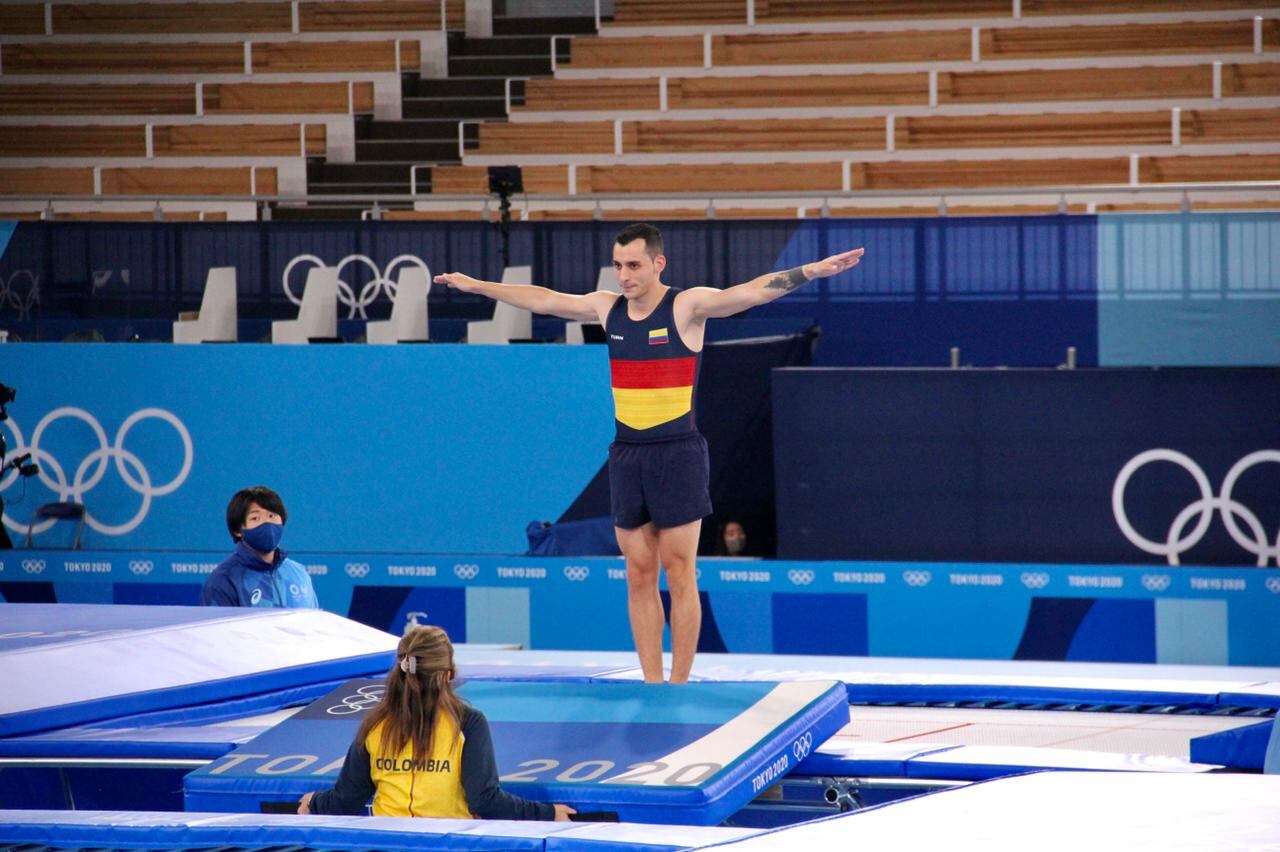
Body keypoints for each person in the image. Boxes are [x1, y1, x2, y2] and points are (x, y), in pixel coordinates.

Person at [435, 224, 863, 683]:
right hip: (628, 456)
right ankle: (652, 683)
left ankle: (679, 684)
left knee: (680, 573)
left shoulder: (686, 306)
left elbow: (751, 293)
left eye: (634, 265)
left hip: (677, 454)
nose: (624, 275)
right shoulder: (606, 309)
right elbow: (542, 298)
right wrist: (477, 285)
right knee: (639, 574)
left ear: (659, 263)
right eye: (618, 265)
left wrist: (810, 271)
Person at [298, 624, 575, 820]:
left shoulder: (375, 724)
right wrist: (548, 813)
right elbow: (484, 800)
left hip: (386, 844)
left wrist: (315, 802)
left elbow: (346, 799)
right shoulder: (467, 722)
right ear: (447, 675)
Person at [200, 485, 318, 608]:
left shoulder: (298, 573)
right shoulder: (223, 580)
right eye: (255, 518)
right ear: (237, 530)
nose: (267, 523)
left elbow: (313, 624)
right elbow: (219, 627)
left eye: (272, 516)